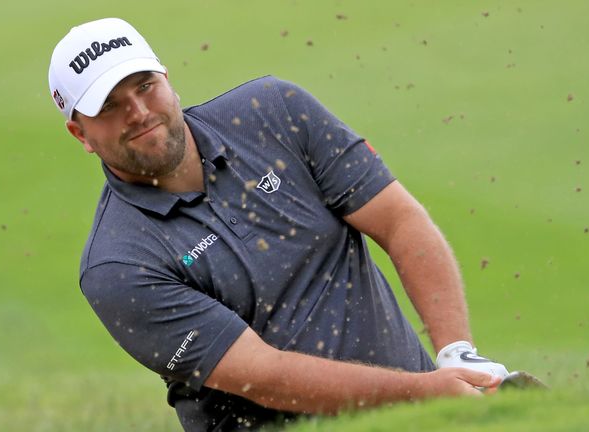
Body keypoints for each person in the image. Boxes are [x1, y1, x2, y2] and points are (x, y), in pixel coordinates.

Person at [48, 17, 510, 432]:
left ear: (168, 80)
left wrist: (456, 354)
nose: (139, 112)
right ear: (80, 134)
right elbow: (262, 375)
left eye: (144, 86)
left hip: (422, 416)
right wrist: (424, 392)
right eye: (109, 106)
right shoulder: (117, 265)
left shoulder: (274, 112)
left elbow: (399, 220)